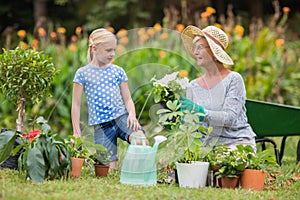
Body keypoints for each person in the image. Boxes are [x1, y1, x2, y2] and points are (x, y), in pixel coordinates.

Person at [71, 28, 145, 170]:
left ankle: (136, 171)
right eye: (108, 50)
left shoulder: (118, 71)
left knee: (141, 141)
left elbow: (128, 99)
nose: (112, 54)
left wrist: (132, 115)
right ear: (94, 48)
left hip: (122, 118)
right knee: (107, 170)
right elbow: (75, 104)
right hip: (101, 125)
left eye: (114, 50)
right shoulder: (82, 74)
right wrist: (76, 132)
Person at [179, 25, 257, 151]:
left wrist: (200, 112)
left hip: (236, 143)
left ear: (215, 52)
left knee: (222, 167)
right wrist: (179, 119)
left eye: (200, 48)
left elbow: (229, 118)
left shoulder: (233, 79)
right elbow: (193, 125)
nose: (195, 52)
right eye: (195, 48)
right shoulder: (193, 85)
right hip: (206, 147)